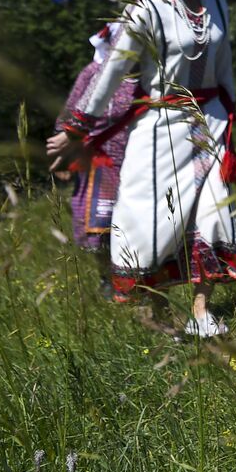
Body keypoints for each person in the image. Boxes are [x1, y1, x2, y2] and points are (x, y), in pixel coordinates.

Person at [50, 0, 236, 337]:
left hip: (209, 123)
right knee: (151, 223)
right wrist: (76, 128)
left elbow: (225, 68)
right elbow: (111, 73)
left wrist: (230, 123)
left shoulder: (219, 4)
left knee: (213, 215)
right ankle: (152, 313)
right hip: (161, 127)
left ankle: (201, 311)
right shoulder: (148, 9)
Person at [46, 23, 138, 296]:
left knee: (133, 226)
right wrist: (63, 157)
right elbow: (70, 114)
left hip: (137, 159)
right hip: (99, 161)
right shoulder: (93, 74)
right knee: (100, 229)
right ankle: (107, 278)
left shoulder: (148, 78)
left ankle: (137, 282)